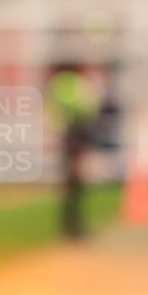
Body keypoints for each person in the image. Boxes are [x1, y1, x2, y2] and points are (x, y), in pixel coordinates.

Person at [47, 66, 99, 238]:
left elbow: (52, 116)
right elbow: (89, 111)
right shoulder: (79, 86)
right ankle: (74, 228)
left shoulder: (58, 86)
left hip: (67, 141)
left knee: (70, 188)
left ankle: (69, 227)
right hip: (75, 140)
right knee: (76, 187)